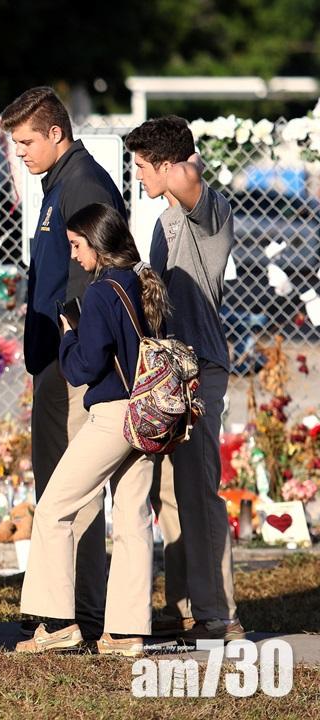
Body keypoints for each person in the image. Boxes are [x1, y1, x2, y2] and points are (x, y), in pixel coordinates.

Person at [0, 87, 125, 640]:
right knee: (57, 482)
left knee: (71, 489)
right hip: (53, 358)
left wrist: (75, 356)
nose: (20, 152)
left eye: (27, 141)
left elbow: (93, 278)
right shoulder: (58, 181)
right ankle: (71, 606)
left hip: (73, 362)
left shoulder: (83, 183)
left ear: (56, 133)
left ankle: (76, 612)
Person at [17, 203, 169, 658]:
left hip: (113, 416)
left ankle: (57, 623)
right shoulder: (142, 283)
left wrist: (69, 334)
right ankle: (126, 631)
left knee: (54, 508)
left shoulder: (102, 292)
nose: (74, 255)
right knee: (133, 520)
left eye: (77, 245)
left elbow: (85, 366)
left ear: (98, 245)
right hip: (147, 414)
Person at [124, 116, 243, 641]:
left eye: (143, 165)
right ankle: (182, 607)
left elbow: (189, 178)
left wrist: (180, 158)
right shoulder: (163, 222)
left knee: (199, 489)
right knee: (170, 492)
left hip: (202, 368)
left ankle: (219, 613)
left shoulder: (208, 212)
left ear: (168, 165)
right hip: (169, 371)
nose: (139, 175)